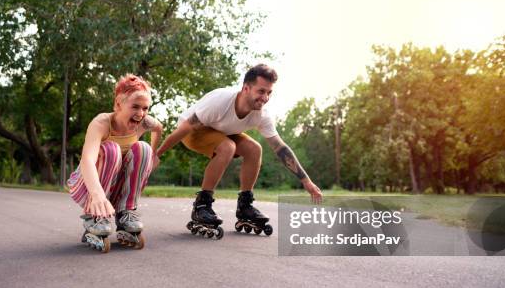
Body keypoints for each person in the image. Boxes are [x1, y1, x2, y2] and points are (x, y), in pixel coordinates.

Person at [156, 64, 322, 229]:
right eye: (261, 91)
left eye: (269, 93)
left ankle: (245, 206)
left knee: (254, 149)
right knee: (228, 147)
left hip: (222, 132)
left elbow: (280, 148)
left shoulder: (261, 115)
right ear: (246, 88)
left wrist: (306, 181)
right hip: (192, 132)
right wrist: (157, 155)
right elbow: (185, 127)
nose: (265, 98)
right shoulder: (220, 101)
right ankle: (202, 206)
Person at [67, 74, 162, 244]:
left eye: (145, 108)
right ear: (118, 104)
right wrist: (97, 196)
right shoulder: (102, 123)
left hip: (117, 185)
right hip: (88, 186)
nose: (141, 113)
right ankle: (95, 216)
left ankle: (126, 212)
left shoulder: (144, 122)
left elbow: (159, 128)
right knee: (112, 149)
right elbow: (87, 160)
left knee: (144, 148)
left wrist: (155, 153)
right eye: (135, 107)